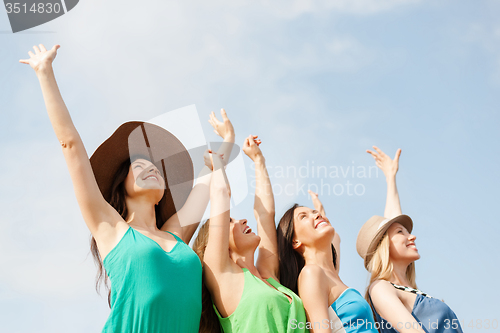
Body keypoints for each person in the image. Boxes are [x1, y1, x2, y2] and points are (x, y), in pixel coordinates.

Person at [20, 44, 235, 333]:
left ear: (162, 197)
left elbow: (210, 179)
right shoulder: (110, 228)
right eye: (139, 165)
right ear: (121, 185)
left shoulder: (176, 234)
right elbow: (70, 145)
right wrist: (45, 73)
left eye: (156, 167)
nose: (151, 167)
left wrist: (227, 143)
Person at [193, 136, 309, 333]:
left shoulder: (268, 275)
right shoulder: (222, 275)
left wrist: (257, 159)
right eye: (230, 221)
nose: (242, 220)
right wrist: (218, 165)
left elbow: (265, 215)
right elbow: (221, 194)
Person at [358, 146, 463, 333]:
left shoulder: (410, 291)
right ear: (384, 247)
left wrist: (390, 177)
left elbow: (392, 225)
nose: (412, 236)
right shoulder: (381, 288)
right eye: (401, 233)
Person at [277, 192, 378, 333]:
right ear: (295, 241)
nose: (317, 214)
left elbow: (334, 238)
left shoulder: (331, 275)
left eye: (315, 212)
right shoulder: (311, 274)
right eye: (304, 216)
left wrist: (319, 208)